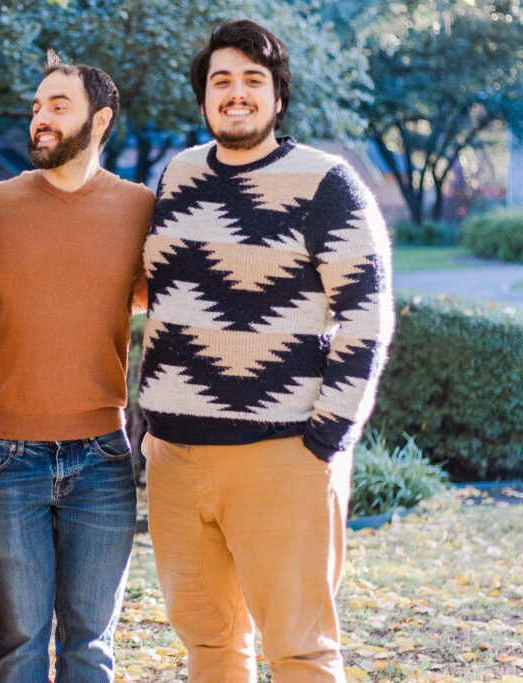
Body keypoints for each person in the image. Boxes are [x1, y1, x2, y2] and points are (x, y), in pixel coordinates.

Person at [140, 19, 394, 682]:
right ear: (203, 99)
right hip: (176, 459)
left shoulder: (326, 182)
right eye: (221, 80)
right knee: (211, 647)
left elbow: (365, 317)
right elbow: (159, 292)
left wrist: (327, 438)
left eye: (254, 80)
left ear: (278, 97)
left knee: (301, 652)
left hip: (282, 457)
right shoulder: (179, 175)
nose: (237, 93)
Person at [0, 52, 155, 681]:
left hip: (101, 456)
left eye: (58, 106)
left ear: (100, 119)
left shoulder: (140, 209)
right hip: (1, 457)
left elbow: (178, 300)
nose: (40, 119)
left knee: (90, 644)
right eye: (36, 107)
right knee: (19, 642)